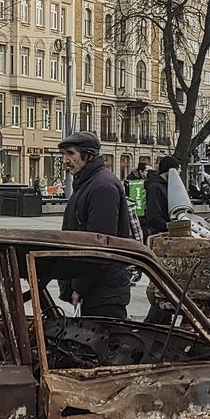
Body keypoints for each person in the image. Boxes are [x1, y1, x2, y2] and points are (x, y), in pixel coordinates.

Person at [57, 131, 132, 318]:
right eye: (63, 155)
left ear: (88, 155)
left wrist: (80, 287)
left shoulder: (102, 187)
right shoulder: (88, 183)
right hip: (98, 289)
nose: (65, 160)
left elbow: (99, 245)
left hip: (104, 292)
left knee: (104, 342)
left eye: (70, 154)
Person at [140, 156, 178, 239]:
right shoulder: (155, 187)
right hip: (161, 234)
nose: (180, 172)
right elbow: (153, 215)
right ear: (170, 171)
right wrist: (170, 227)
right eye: (177, 169)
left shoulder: (169, 186)